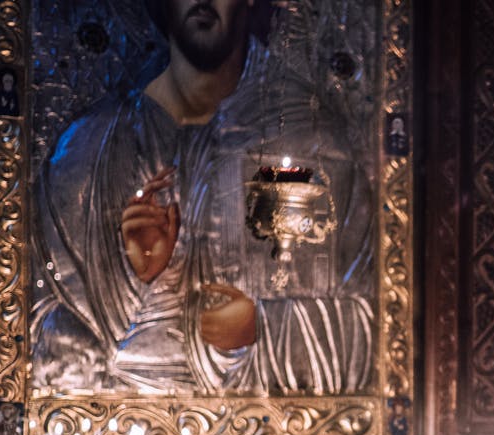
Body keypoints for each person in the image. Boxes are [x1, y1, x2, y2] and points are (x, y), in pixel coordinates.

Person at [31, 0, 375, 395]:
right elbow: (38, 335)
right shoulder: (87, 154)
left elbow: (374, 325)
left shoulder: (313, 146)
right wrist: (146, 280)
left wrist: (261, 327)